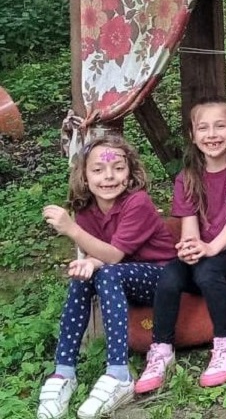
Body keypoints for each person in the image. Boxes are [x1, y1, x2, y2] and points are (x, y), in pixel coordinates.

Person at [37, 136, 176, 419]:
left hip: (162, 279)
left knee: (107, 271)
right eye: (98, 170)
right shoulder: (86, 209)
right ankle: (64, 371)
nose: (109, 176)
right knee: (83, 276)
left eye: (118, 168)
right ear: (85, 177)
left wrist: (72, 230)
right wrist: (88, 263)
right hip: (118, 275)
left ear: (131, 174)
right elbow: (100, 252)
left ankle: (118, 373)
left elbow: (113, 255)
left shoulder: (138, 202)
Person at [135, 99, 226, 394]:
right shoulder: (187, 177)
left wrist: (211, 248)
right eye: (203, 128)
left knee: (208, 270)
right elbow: (189, 230)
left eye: (220, 126)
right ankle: (161, 350)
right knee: (171, 274)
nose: (212, 134)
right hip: (208, 253)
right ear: (193, 136)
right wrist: (190, 248)